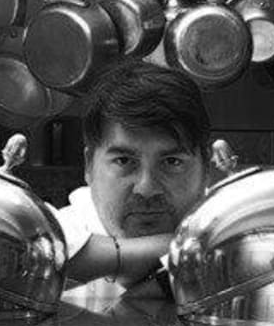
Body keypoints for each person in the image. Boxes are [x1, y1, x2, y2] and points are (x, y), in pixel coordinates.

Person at [53, 59, 212, 299]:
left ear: (206, 168)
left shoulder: (244, 235)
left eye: (172, 162)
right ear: (89, 166)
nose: (146, 188)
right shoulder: (53, 234)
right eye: (124, 161)